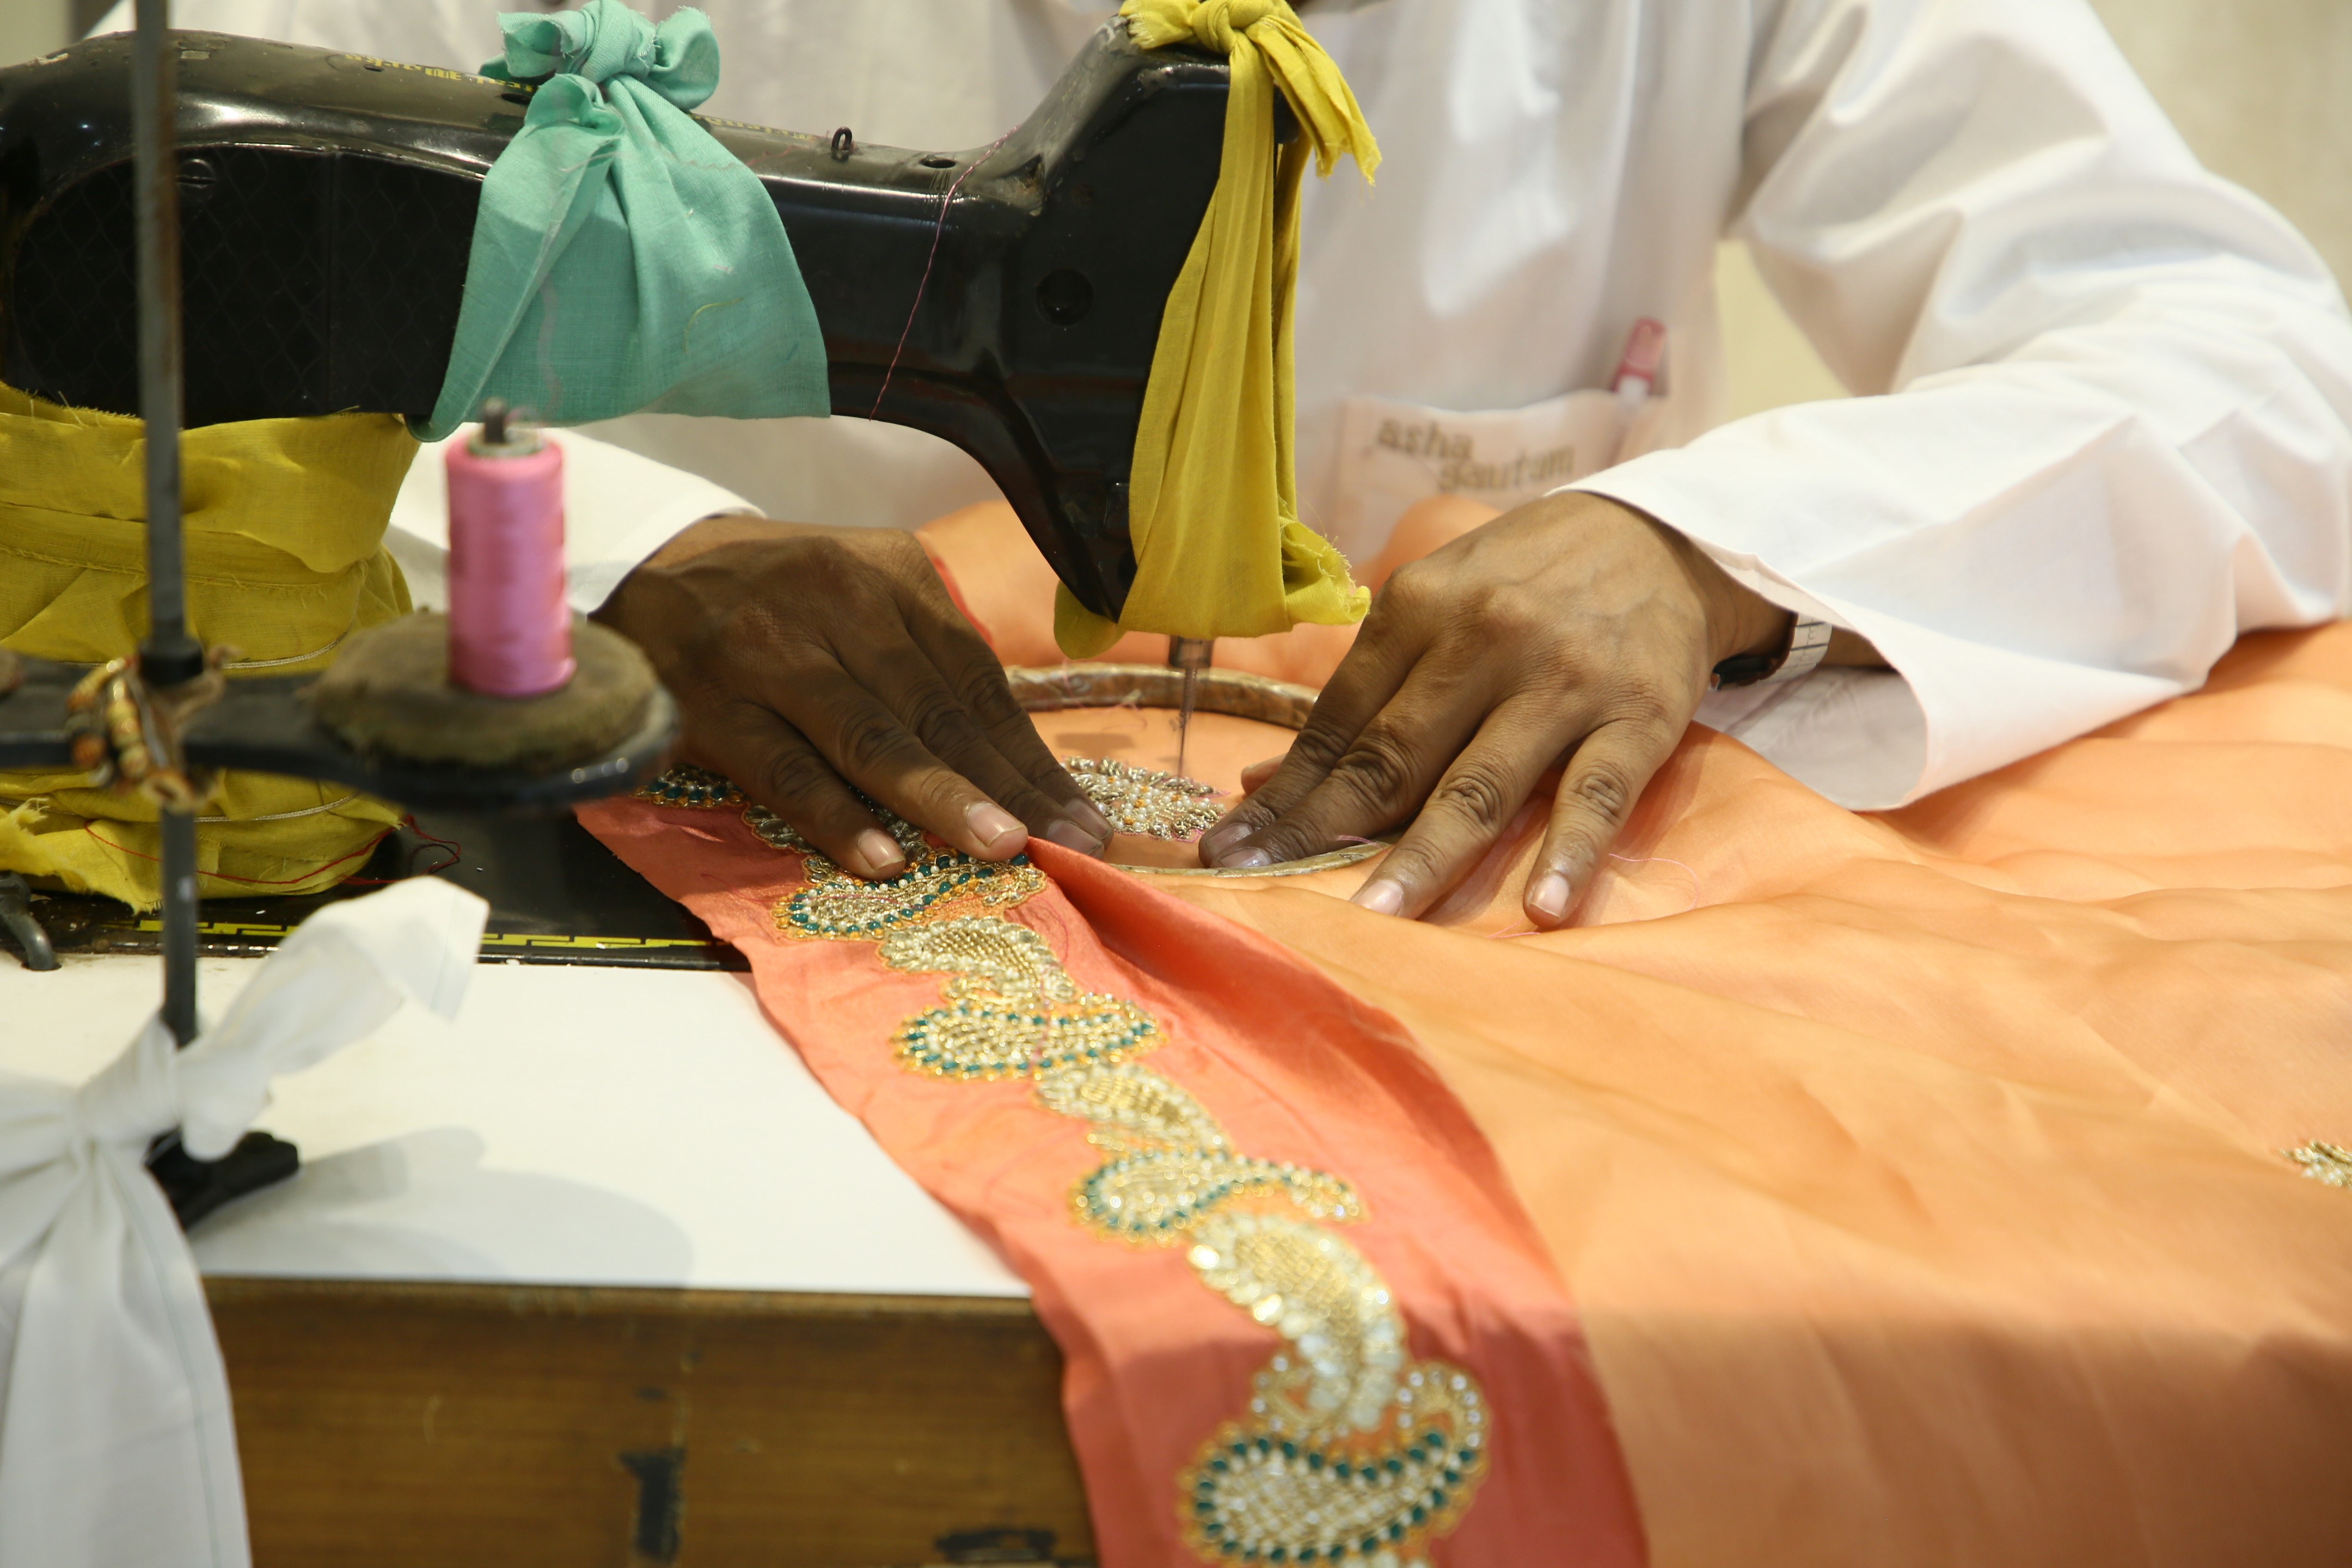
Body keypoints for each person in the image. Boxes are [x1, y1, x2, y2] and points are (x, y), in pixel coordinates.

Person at [94, 0, 2352, 922]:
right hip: (621, 894)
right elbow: (121, 258)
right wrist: (611, 562)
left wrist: (1714, 537)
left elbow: (2258, 361)